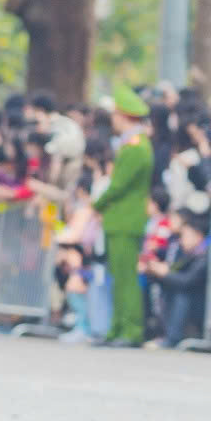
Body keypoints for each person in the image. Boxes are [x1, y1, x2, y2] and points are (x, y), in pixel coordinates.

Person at [93, 92, 154, 345]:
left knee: (126, 279)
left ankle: (130, 330)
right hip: (121, 220)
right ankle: (118, 328)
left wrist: (95, 204)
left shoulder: (135, 148)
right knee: (118, 279)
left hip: (125, 220)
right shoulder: (133, 144)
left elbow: (117, 186)